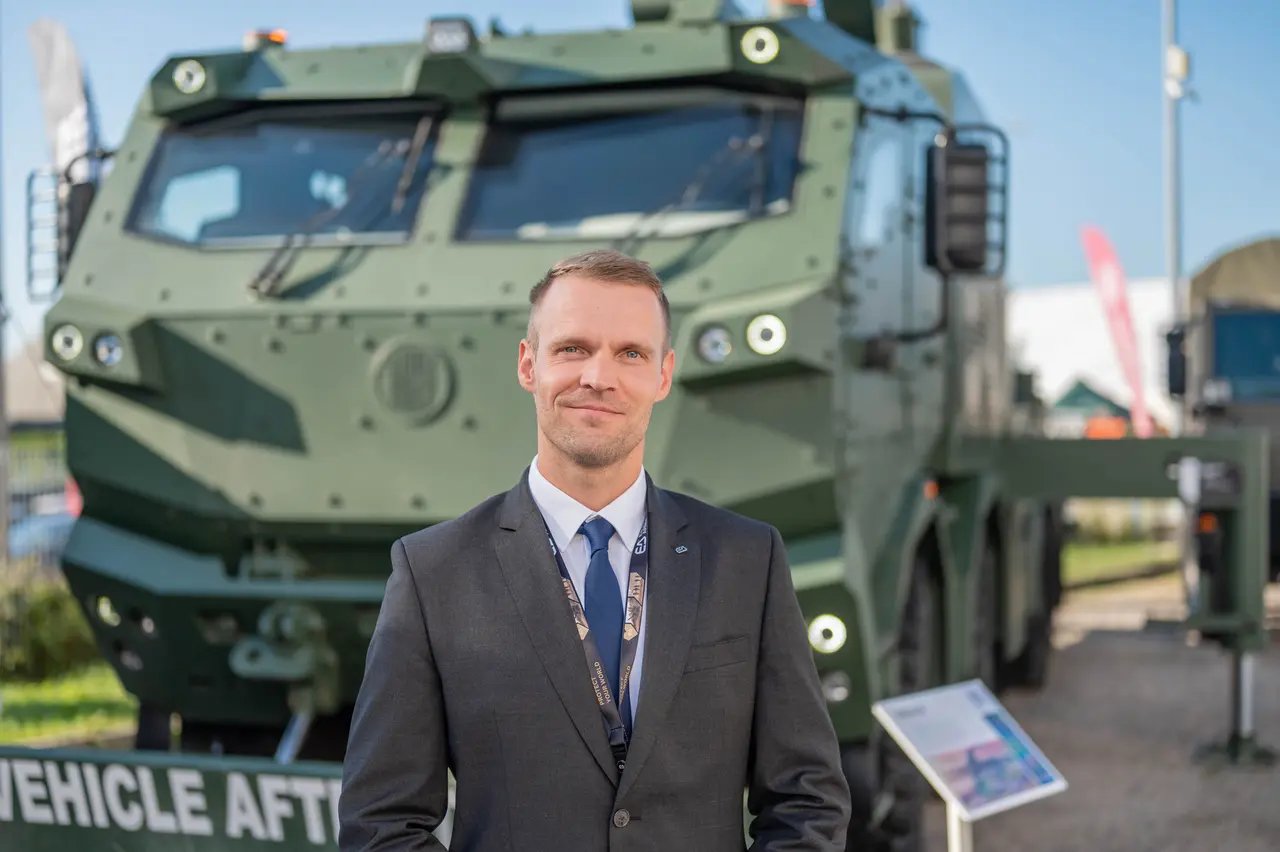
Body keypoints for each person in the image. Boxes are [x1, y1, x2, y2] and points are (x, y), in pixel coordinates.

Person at [339, 249, 851, 851]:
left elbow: (806, 798)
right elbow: (382, 824)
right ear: (529, 365)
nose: (598, 377)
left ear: (663, 375)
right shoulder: (433, 574)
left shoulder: (747, 560)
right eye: (573, 349)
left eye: (630, 353)